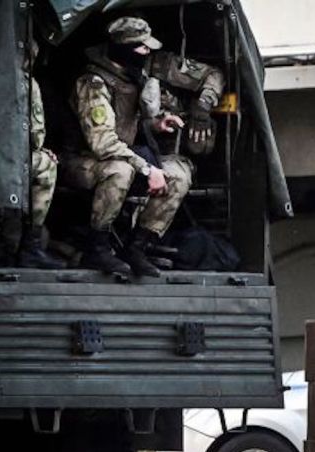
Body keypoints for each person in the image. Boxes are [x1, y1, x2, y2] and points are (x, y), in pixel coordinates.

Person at [62, 17, 194, 277]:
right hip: (82, 161)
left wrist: (157, 123)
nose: (148, 52)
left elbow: (130, 124)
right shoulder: (94, 83)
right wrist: (146, 169)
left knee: (178, 173)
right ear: (123, 48)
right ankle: (96, 248)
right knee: (120, 171)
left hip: (124, 157)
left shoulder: (131, 77)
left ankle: (137, 246)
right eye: (142, 47)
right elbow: (102, 142)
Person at [13, 38, 64, 269]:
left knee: (44, 160)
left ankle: (29, 245)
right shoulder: (26, 83)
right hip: (13, 158)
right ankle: (30, 247)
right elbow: (36, 131)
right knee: (45, 164)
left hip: (14, 158)